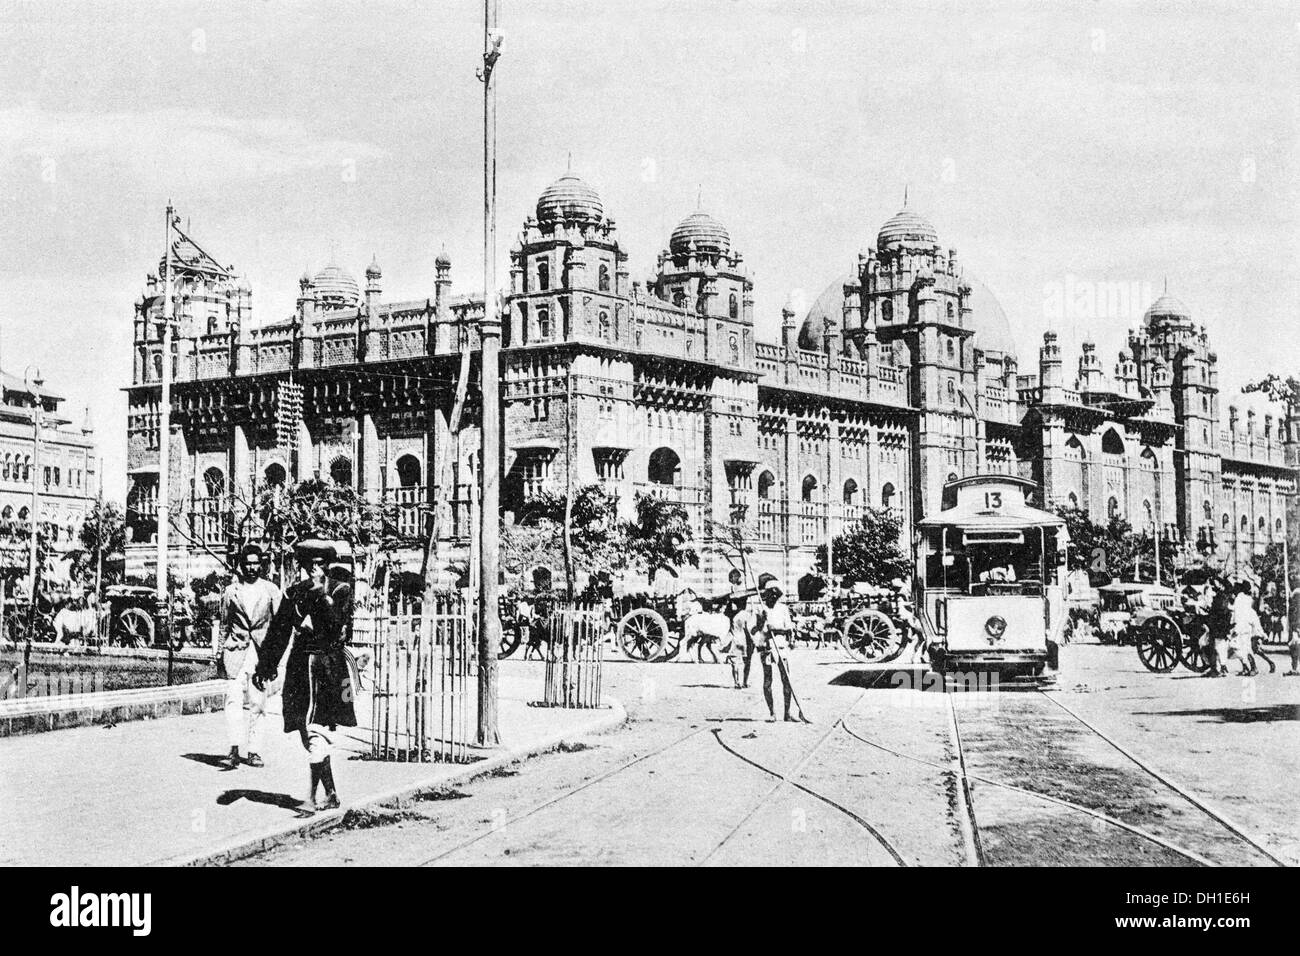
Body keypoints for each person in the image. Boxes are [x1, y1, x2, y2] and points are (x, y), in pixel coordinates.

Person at [253, 538, 356, 814]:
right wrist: (265, 666)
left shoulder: (340, 589)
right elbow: (279, 631)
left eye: (319, 564)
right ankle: (331, 793)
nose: (313, 570)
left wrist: (323, 598)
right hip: (300, 667)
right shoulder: (293, 593)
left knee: (315, 731)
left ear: (327, 565)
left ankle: (310, 799)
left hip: (327, 666)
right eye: (308, 565)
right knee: (304, 730)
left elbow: (338, 627)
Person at [216, 543, 283, 769]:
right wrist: (219, 652)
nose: (252, 568)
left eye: (256, 564)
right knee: (233, 700)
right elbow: (224, 625)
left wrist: (274, 659)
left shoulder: (271, 590)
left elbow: (280, 628)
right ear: (241, 565)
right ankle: (234, 749)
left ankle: (254, 750)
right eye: (248, 564)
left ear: (261, 565)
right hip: (235, 652)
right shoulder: (231, 591)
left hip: (261, 656)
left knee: (258, 703)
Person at [752, 573, 796, 722]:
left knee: (786, 680)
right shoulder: (760, 609)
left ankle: (788, 712)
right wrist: (762, 621)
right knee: (767, 681)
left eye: (775, 595)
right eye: (770, 595)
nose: (773, 597)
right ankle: (772, 713)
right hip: (767, 648)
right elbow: (754, 630)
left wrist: (776, 629)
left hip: (781, 647)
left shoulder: (783, 609)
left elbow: (789, 629)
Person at [1229, 580, 1261, 677]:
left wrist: (1235, 627)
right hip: (1246, 626)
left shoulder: (1239, 598)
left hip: (1240, 627)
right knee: (1244, 648)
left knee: (1243, 648)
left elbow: (1237, 614)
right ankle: (1246, 668)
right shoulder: (1248, 599)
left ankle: (1253, 668)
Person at [1286, 580, 1300, 677]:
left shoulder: (1296, 593)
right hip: (1294, 625)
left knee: (1295, 646)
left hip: (1296, 625)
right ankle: (1294, 668)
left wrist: (1295, 627)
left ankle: (1295, 668)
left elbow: (1295, 613)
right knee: (1294, 646)